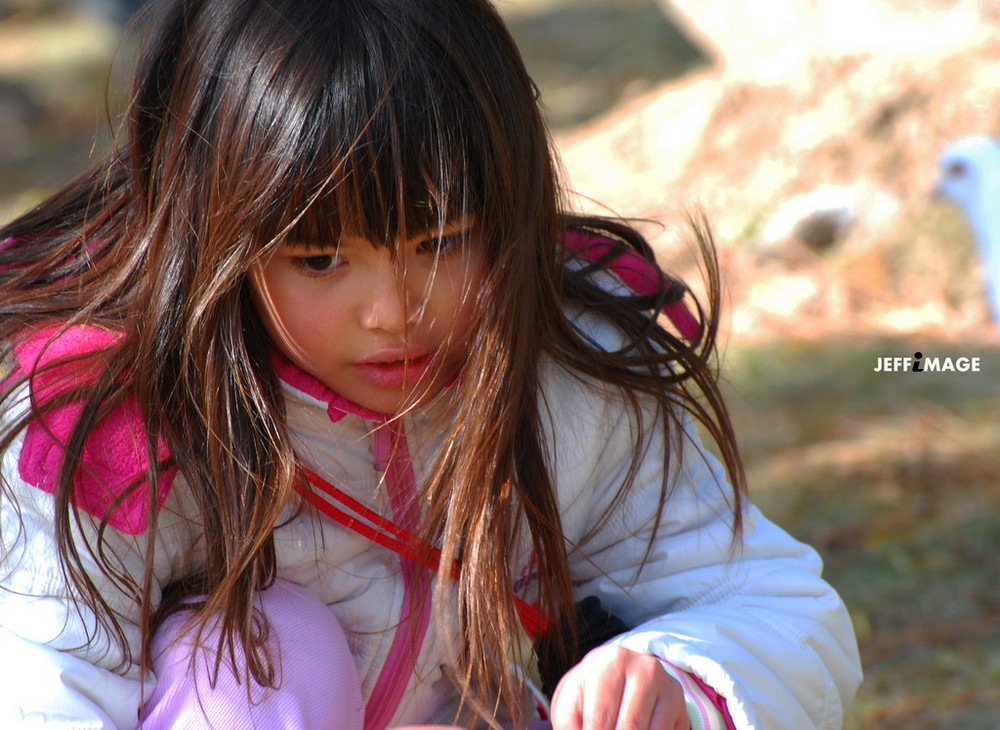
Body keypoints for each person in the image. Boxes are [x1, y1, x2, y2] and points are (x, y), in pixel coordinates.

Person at [0, 0, 862, 728]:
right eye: (320, 260)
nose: (393, 313)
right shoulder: (112, 428)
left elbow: (778, 608)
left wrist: (676, 680)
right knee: (262, 649)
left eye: (441, 240)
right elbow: (42, 686)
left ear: (510, 203)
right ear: (215, 237)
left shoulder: (571, 366)